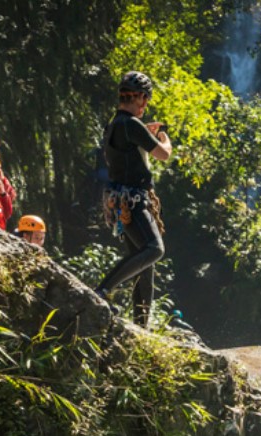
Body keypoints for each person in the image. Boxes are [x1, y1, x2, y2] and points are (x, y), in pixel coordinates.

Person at [94, 70, 172, 327]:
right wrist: (163, 138)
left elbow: (127, 151)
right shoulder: (130, 125)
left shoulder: (114, 124)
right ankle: (102, 290)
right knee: (154, 249)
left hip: (121, 200)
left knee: (144, 265)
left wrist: (144, 134)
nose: (145, 105)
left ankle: (142, 325)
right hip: (134, 201)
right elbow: (163, 155)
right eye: (145, 100)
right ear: (139, 98)